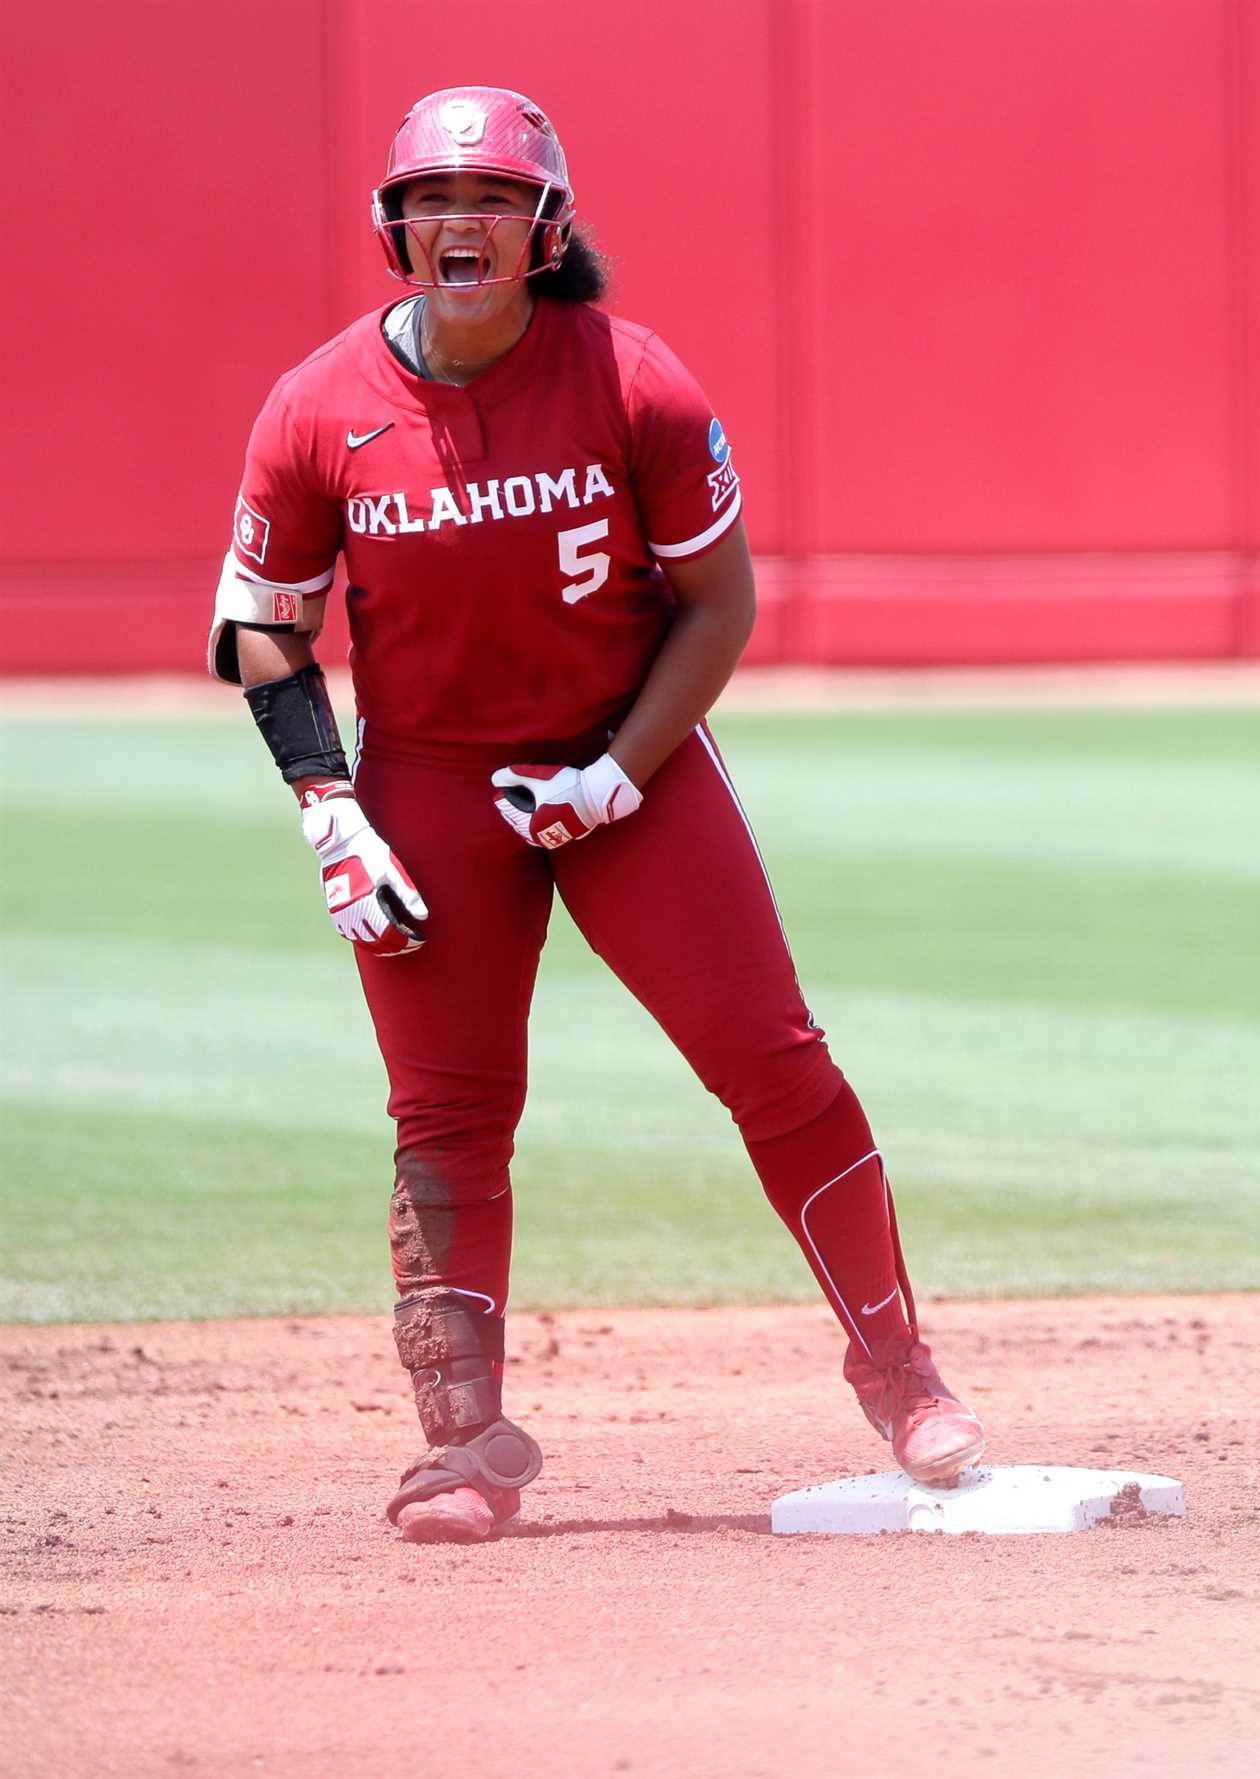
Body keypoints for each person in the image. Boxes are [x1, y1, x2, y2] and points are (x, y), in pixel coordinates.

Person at [209, 85, 985, 1544]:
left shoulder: (636, 380)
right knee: (446, 1112)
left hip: (635, 769)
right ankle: (461, 1449)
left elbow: (720, 603)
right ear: (394, 228)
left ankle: (903, 1373)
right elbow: (260, 622)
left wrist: (622, 769)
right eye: (437, 202)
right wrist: (328, 809)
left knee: (775, 1061)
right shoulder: (318, 408)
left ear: (545, 229)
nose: (464, 226)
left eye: (496, 203)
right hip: (429, 779)